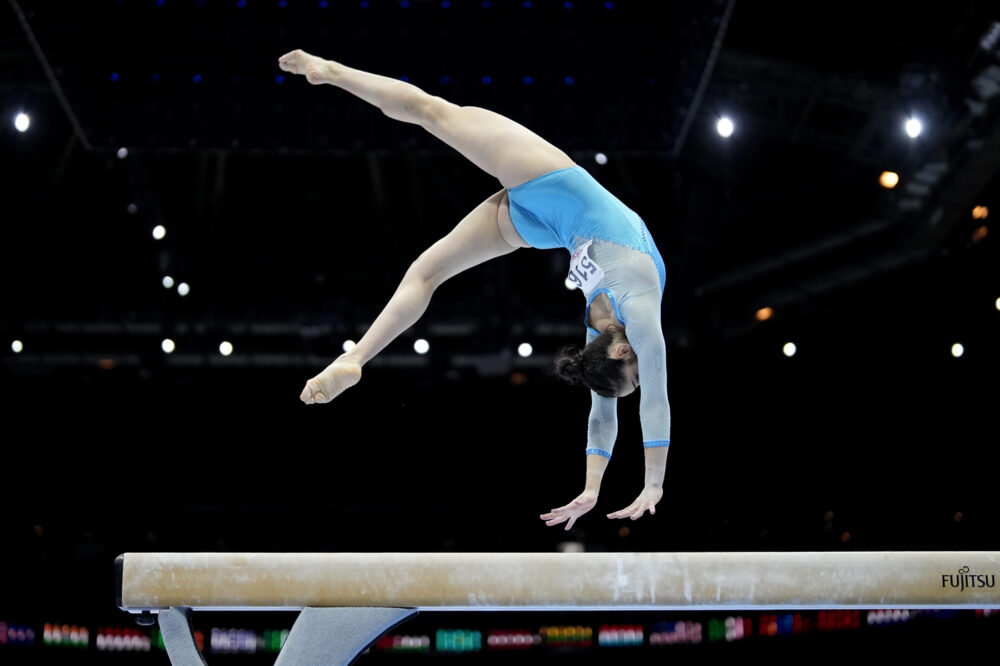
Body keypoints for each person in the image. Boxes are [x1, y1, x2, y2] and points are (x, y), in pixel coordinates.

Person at [278, 50, 671, 530]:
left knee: (433, 114)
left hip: (553, 202)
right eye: (637, 374)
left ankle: (356, 358)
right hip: (552, 201)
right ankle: (355, 356)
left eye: (635, 373)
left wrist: (606, 488)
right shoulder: (633, 311)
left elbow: (614, 408)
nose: (644, 375)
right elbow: (649, 400)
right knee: (426, 269)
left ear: (621, 350)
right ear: (625, 350)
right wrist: (645, 483)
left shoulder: (617, 327)